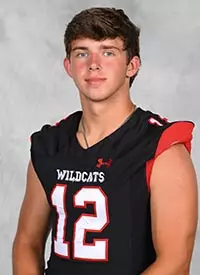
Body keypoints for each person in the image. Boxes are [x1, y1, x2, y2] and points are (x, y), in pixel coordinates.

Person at [12, 7, 198, 275]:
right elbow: (27, 243)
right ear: (69, 66)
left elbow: (175, 263)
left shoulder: (161, 147)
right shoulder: (49, 144)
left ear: (131, 66)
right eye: (82, 53)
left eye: (108, 52)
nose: (93, 64)